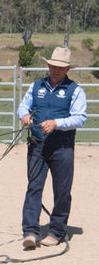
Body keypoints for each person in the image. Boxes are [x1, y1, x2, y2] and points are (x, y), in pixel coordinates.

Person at [17, 47, 87, 248]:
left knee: (62, 190)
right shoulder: (36, 86)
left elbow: (80, 118)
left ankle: (56, 231)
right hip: (37, 146)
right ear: (48, 65)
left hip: (62, 148)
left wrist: (57, 123)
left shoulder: (75, 91)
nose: (55, 70)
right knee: (34, 187)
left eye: (60, 67)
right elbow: (23, 105)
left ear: (67, 69)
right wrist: (24, 115)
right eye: (52, 66)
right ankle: (30, 231)